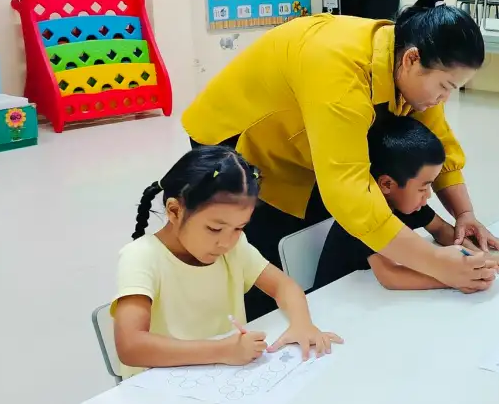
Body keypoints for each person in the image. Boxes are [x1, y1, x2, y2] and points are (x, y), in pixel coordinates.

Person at [183, 0, 499, 318]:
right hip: (236, 141)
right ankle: (265, 329)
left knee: (321, 240)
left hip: (300, 142)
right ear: (412, 59)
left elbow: (438, 139)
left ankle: (309, 305)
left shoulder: (406, 61)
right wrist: (437, 264)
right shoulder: (338, 69)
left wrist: (465, 214)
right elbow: (349, 192)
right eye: (445, 87)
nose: (443, 99)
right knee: (266, 257)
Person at [112, 146, 341, 377]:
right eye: (214, 228)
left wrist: (302, 324)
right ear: (174, 211)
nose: (226, 242)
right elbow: (131, 346)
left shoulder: (234, 248)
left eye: (239, 228)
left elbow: (284, 286)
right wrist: (222, 350)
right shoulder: (141, 256)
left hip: (222, 377)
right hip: (158, 385)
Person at [314, 110, 499, 290]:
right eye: (423, 188)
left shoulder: (406, 204)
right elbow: (389, 276)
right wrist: (452, 278)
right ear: (387, 185)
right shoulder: (366, 215)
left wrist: (479, 256)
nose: (428, 195)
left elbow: (441, 230)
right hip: (332, 301)